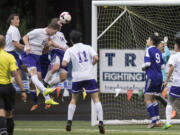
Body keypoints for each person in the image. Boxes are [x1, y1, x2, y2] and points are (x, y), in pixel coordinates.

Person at [62, 30, 105, 134]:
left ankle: (69, 122)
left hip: (77, 78)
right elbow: (96, 58)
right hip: (89, 77)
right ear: (81, 39)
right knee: (96, 99)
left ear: (71, 40)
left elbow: (64, 64)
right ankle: (101, 122)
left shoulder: (70, 50)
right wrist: (92, 63)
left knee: (73, 100)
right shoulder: (88, 47)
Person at [22, 22, 60, 105]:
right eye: (55, 32)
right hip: (29, 55)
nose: (54, 34)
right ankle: (44, 91)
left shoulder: (49, 36)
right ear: (51, 28)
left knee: (38, 77)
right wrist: (27, 46)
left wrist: (47, 47)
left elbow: (44, 50)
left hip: (37, 57)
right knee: (34, 75)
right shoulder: (38, 31)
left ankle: (47, 99)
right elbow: (25, 37)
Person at [0, 35, 27, 135]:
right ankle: (9, 133)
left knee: (0, 112)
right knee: (9, 113)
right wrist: (23, 90)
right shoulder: (9, 56)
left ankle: (3, 131)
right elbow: (15, 74)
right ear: (5, 44)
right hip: (7, 87)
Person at [142, 34, 165, 128]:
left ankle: (154, 121)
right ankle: (158, 120)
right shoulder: (159, 51)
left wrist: (142, 67)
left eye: (148, 39)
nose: (146, 40)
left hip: (152, 77)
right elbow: (163, 66)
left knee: (147, 99)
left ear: (151, 41)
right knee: (154, 98)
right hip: (159, 77)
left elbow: (147, 63)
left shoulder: (148, 49)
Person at [43, 18, 68, 87]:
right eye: (60, 23)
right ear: (55, 23)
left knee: (63, 77)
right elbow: (50, 42)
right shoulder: (51, 31)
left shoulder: (61, 34)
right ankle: (44, 82)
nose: (61, 25)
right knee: (55, 67)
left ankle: (48, 84)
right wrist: (60, 47)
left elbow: (65, 45)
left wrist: (71, 50)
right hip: (56, 51)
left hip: (64, 54)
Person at [162, 32, 180, 129]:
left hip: (177, 84)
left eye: (174, 45)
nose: (174, 46)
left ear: (177, 45)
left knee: (169, 101)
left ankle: (168, 122)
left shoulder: (174, 56)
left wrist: (166, 81)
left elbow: (171, 69)